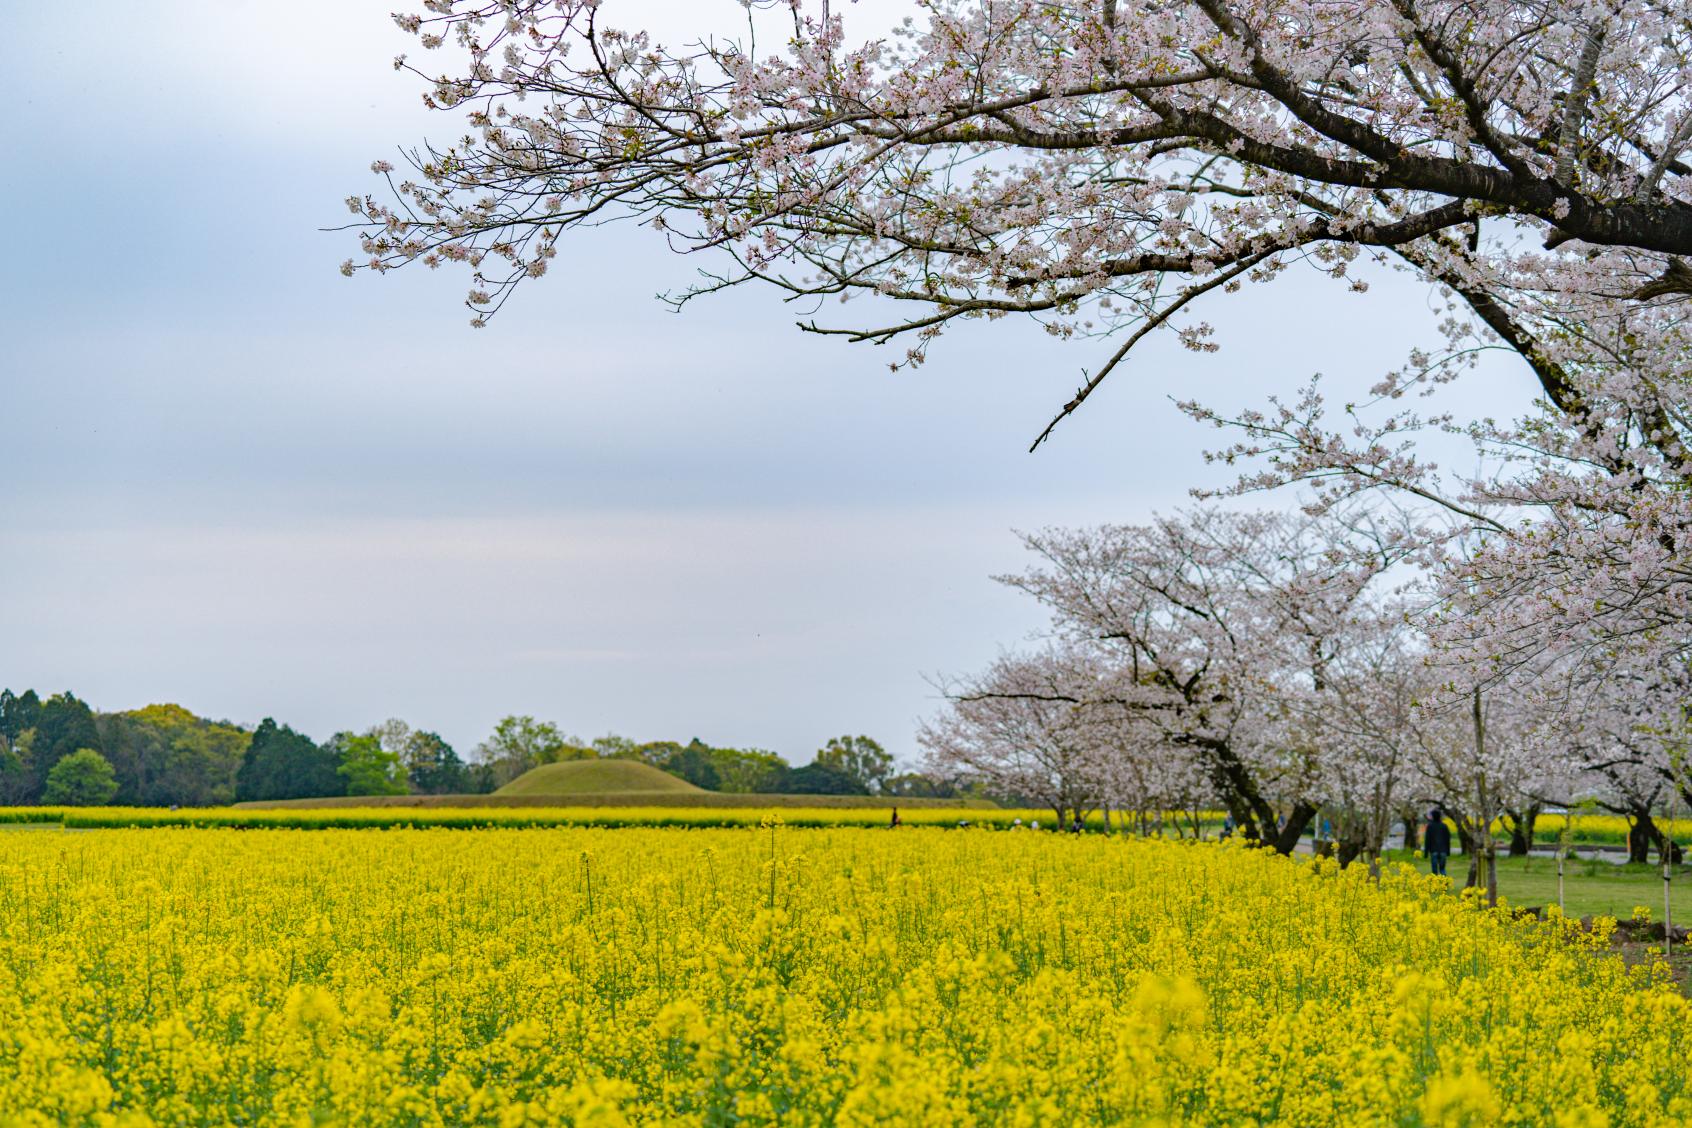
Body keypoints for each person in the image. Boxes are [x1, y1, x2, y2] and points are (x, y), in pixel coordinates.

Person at [1425, 807, 1452, 878]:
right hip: (1443, 851)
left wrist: (1426, 852)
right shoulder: (1444, 826)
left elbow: (1427, 840)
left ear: (1433, 816)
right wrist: (1448, 851)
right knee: (1442, 869)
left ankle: (1436, 886)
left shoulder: (1430, 826)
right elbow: (1448, 839)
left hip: (1433, 851)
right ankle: (1444, 886)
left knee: (1434, 871)